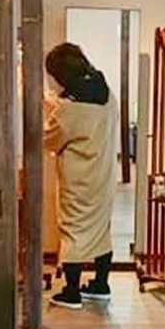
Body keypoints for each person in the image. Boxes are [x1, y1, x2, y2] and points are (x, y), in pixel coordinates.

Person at [43, 43, 119, 310]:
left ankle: (72, 291)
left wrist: (50, 111)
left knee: (73, 229)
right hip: (104, 175)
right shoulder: (106, 93)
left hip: (79, 178)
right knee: (101, 229)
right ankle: (100, 284)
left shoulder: (70, 108)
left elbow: (50, 140)